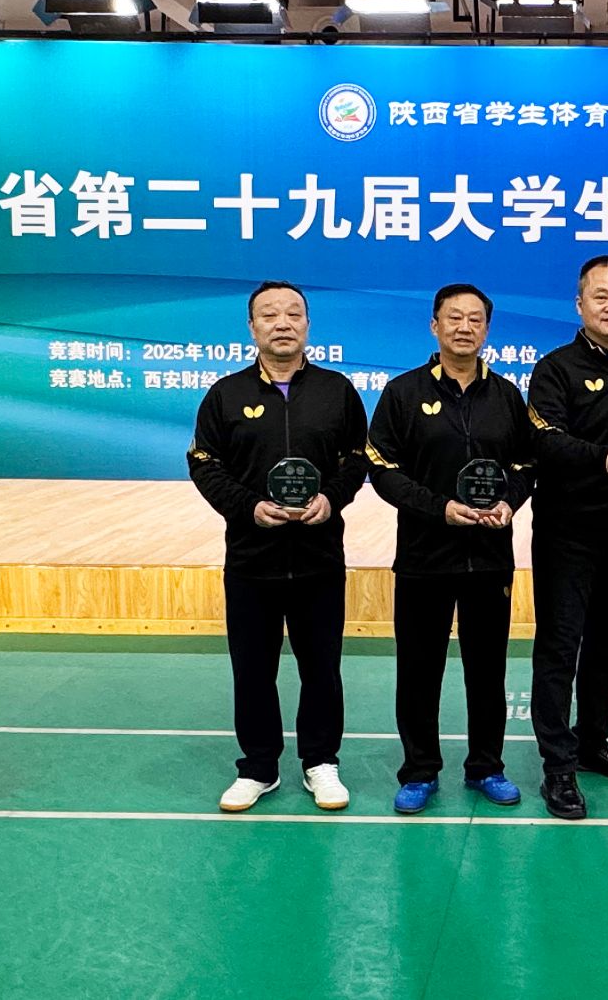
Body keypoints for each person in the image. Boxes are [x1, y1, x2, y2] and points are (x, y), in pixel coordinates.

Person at [186, 280, 368, 813]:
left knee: (321, 669)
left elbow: (357, 459)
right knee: (252, 671)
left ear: (308, 325)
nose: (282, 323)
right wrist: (248, 507)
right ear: (252, 327)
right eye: (269, 314)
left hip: (318, 558)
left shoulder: (337, 390)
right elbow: (204, 464)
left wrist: (332, 499)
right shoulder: (226, 394)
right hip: (251, 560)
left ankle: (321, 762)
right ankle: (258, 767)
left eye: (293, 313)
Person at [366, 283, 535, 814]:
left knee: (488, 671)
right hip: (424, 556)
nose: (465, 327)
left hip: (489, 557)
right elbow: (382, 468)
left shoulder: (506, 395)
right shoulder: (402, 393)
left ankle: (486, 766)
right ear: (434, 326)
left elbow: (526, 464)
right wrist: (438, 508)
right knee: (419, 670)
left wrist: (509, 502)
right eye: (454, 317)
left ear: (487, 329)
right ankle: (419, 770)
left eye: (475, 319)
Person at [526, 255, 608, 820]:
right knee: (560, 648)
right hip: (568, 532)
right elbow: (545, 440)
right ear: (579, 304)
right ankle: (557, 766)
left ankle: (591, 741)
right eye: (600, 296)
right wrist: (601, 460)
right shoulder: (555, 369)